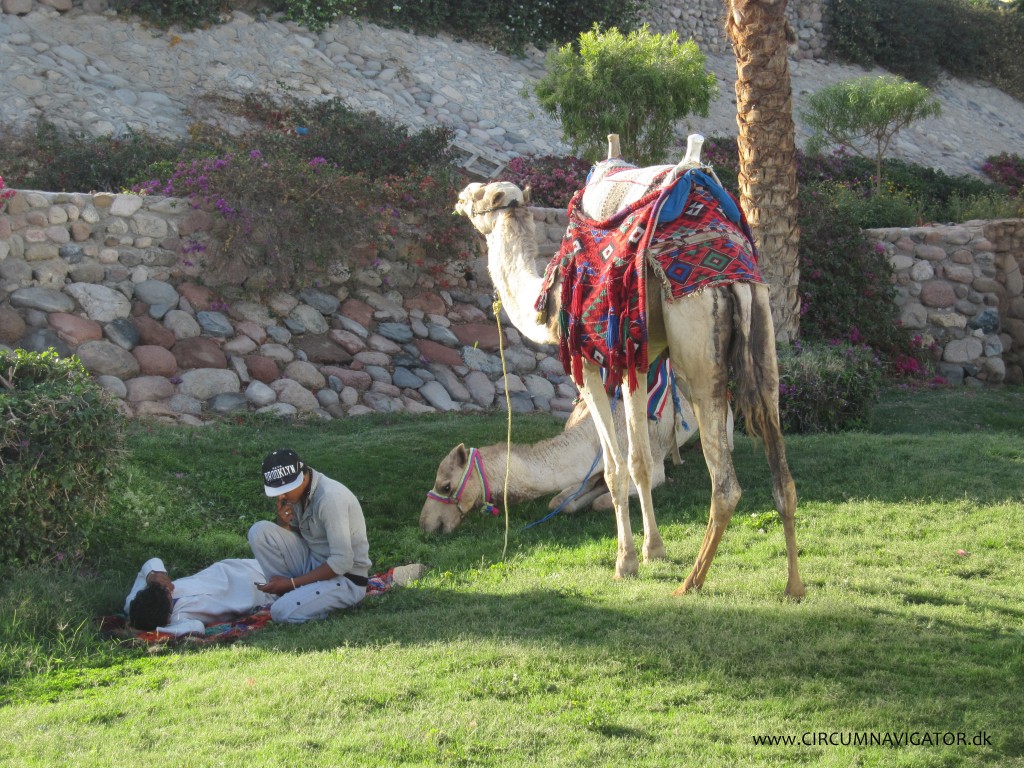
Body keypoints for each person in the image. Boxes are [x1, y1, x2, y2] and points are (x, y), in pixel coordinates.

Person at [249, 448, 372, 624]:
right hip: (315, 564)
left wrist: (292, 583)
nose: (282, 495)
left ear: (302, 477)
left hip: (346, 580)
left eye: (286, 489)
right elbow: (299, 540)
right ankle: (288, 595)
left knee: (280, 613)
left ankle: (298, 601)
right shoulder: (297, 495)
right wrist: (283, 523)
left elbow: (342, 562)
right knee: (259, 531)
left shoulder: (330, 498)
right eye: (278, 490)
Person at [124, 556, 275, 636]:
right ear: (167, 618)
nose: (171, 589)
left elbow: (152, 562)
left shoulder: (133, 602)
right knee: (295, 584)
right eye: (168, 595)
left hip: (237, 568)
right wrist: (155, 630)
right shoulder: (178, 621)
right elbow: (197, 629)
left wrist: (154, 574)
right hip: (260, 594)